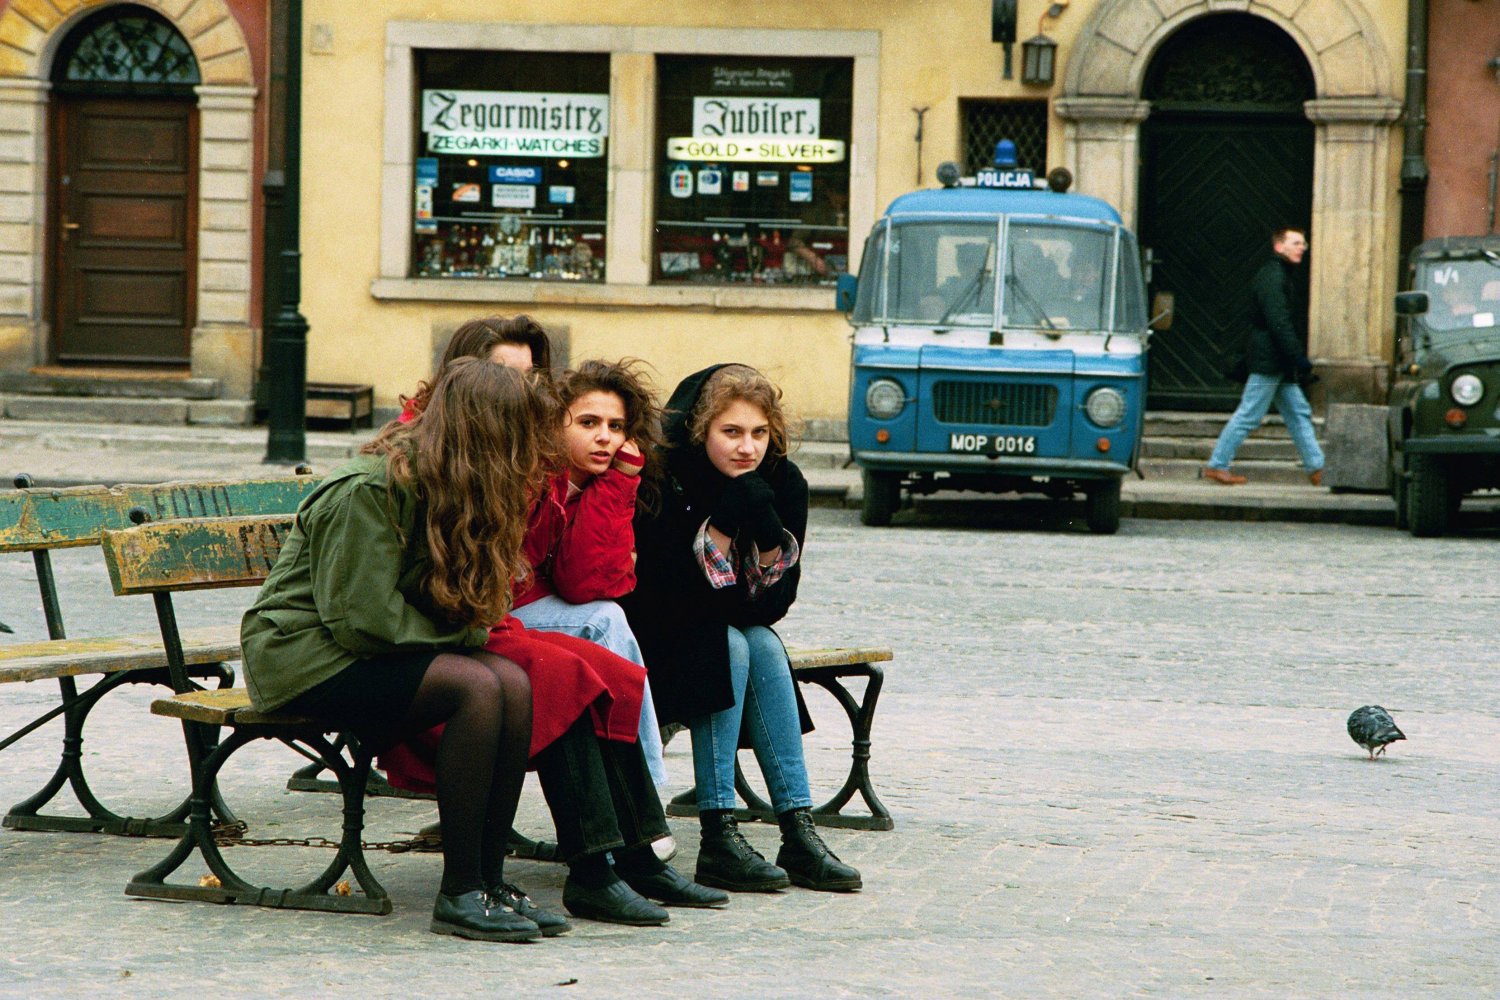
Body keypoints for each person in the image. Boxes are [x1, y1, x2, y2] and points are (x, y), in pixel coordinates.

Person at [385, 342, 719, 927]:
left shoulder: (504, 474)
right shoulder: (426, 478)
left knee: (598, 670)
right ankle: (597, 868)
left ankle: (630, 854)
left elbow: (590, 578)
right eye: (587, 422)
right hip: (424, 654)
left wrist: (618, 484)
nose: (605, 438)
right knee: (572, 673)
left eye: (616, 426)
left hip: (475, 633)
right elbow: (395, 601)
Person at [239, 359, 550, 943]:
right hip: (303, 657)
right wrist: (464, 638)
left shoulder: (449, 485)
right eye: (519, 436)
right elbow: (363, 622)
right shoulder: (367, 491)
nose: (528, 452)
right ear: (484, 434)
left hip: (357, 649)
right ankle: (459, 892)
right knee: (477, 686)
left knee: (512, 680)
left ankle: (488, 881)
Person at [622, 364, 862, 894]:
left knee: (761, 643)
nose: (747, 448)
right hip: (654, 635)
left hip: (724, 633)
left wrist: (769, 533)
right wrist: (725, 527)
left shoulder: (782, 482)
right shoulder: (667, 478)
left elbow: (769, 607)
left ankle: (797, 831)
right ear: (702, 430)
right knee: (729, 642)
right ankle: (718, 834)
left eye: (759, 433)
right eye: (730, 433)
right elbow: (670, 593)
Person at [400, 321, 669, 786]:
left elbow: (583, 581)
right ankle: (640, 794)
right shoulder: (438, 445)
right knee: (592, 642)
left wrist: (618, 482)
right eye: (502, 372)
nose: (518, 389)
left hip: (507, 608)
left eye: (530, 377)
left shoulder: (534, 448)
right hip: (449, 620)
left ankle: (636, 796)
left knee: (607, 628)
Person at [1202, 227, 1325, 487]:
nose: (1302, 247)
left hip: (1276, 361)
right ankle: (1217, 465)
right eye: (1295, 243)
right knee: (1250, 413)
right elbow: (1278, 323)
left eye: (1303, 243)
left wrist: (1294, 360)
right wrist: (1298, 358)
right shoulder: (1273, 277)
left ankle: (1317, 468)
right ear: (1279, 247)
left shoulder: (1278, 274)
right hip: (1270, 360)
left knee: (1298, 412)